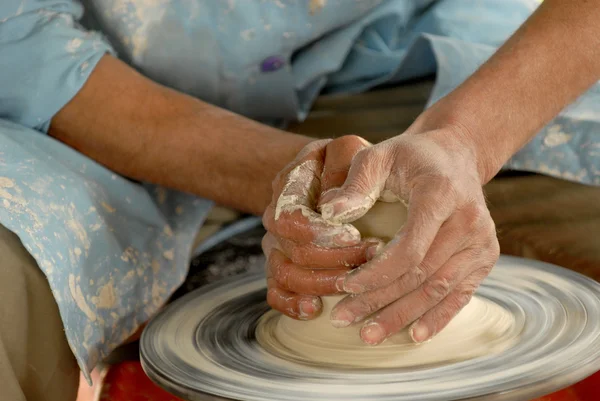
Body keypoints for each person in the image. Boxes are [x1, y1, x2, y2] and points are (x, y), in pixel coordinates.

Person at [0, 0, 599, 400]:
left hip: (412, 61)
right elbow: (19, 38)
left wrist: (465, 140)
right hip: (92, 97)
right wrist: (306, 183)